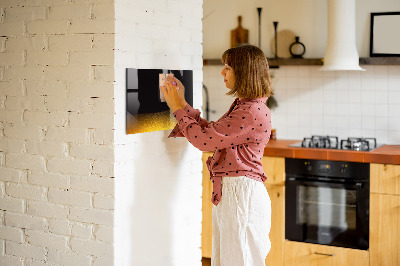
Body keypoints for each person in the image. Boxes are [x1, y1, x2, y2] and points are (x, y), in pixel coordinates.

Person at [161, 44, 273, 266]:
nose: (222, 72)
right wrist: (182, 104)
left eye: (228, 67)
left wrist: (176, 108)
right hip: (236, 193)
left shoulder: (250, 111)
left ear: (244, 72)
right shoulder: (246, 106)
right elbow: (212, 133)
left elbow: (204, 141)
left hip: (241, 195)